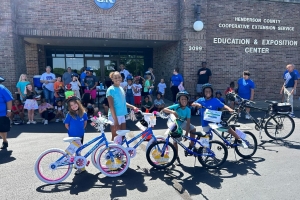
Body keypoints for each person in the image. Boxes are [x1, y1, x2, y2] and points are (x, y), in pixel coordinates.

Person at [191, 83, 248, 148]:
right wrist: (197, 105)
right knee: (205, 139)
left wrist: (230, 109)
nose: (208, 93)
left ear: (212, 92)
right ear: (203, 92)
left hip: (214, 121)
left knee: (227, 128)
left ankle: (240, 140)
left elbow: (224, 105)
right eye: (206, 91)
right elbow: (193, 104)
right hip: (205, 123)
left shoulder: (215, 100)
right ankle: (206, 152)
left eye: (209, 91)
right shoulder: (200, 100)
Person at [162, 91, 196, 165]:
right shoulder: (176, 106)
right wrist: (172, 112)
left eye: (185, 99)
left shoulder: (188, 110)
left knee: (193, 129)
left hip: (183, 123)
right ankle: (176, 157)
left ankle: (191, 146)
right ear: (179, 100)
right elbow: (164, 109)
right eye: (182, 99)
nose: (184, 101)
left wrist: (187, 133)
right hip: (175, 124)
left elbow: (188, 122)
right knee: (175, 142)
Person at [106, 71, 138, 140]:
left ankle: (120, 151)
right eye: (115, 77)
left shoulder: (121, 88)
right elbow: (111, 106)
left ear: (121, 78)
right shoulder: (110, 90)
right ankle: (112, 150)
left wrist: (133, 107)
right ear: (112, 79)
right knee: (115, 138)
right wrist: (116, 121)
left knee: (122, 137)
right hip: (114, 116)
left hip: (122, 115)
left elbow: (123, 102)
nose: (117, 79)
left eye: (119, 77)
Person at [64, 96, 88, 175]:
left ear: (78, 103)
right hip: (73, 136)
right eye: (71, 105)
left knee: (78, 150)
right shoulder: (69, 114)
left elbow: (85, 121)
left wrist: (82, 128)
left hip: (80, 135)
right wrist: (71, 131)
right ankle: (80, 167)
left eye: (75, 104)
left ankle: (76, 162)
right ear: (70, 107)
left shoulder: (83, 113)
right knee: (77, 151)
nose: (74, 106)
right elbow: (66, 124)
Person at [0, 77, 13, 149]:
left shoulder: (2, 89)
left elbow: (9, 100)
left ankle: (4, 141)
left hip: (2, 114)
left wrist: (9, 110)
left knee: (2, 130)